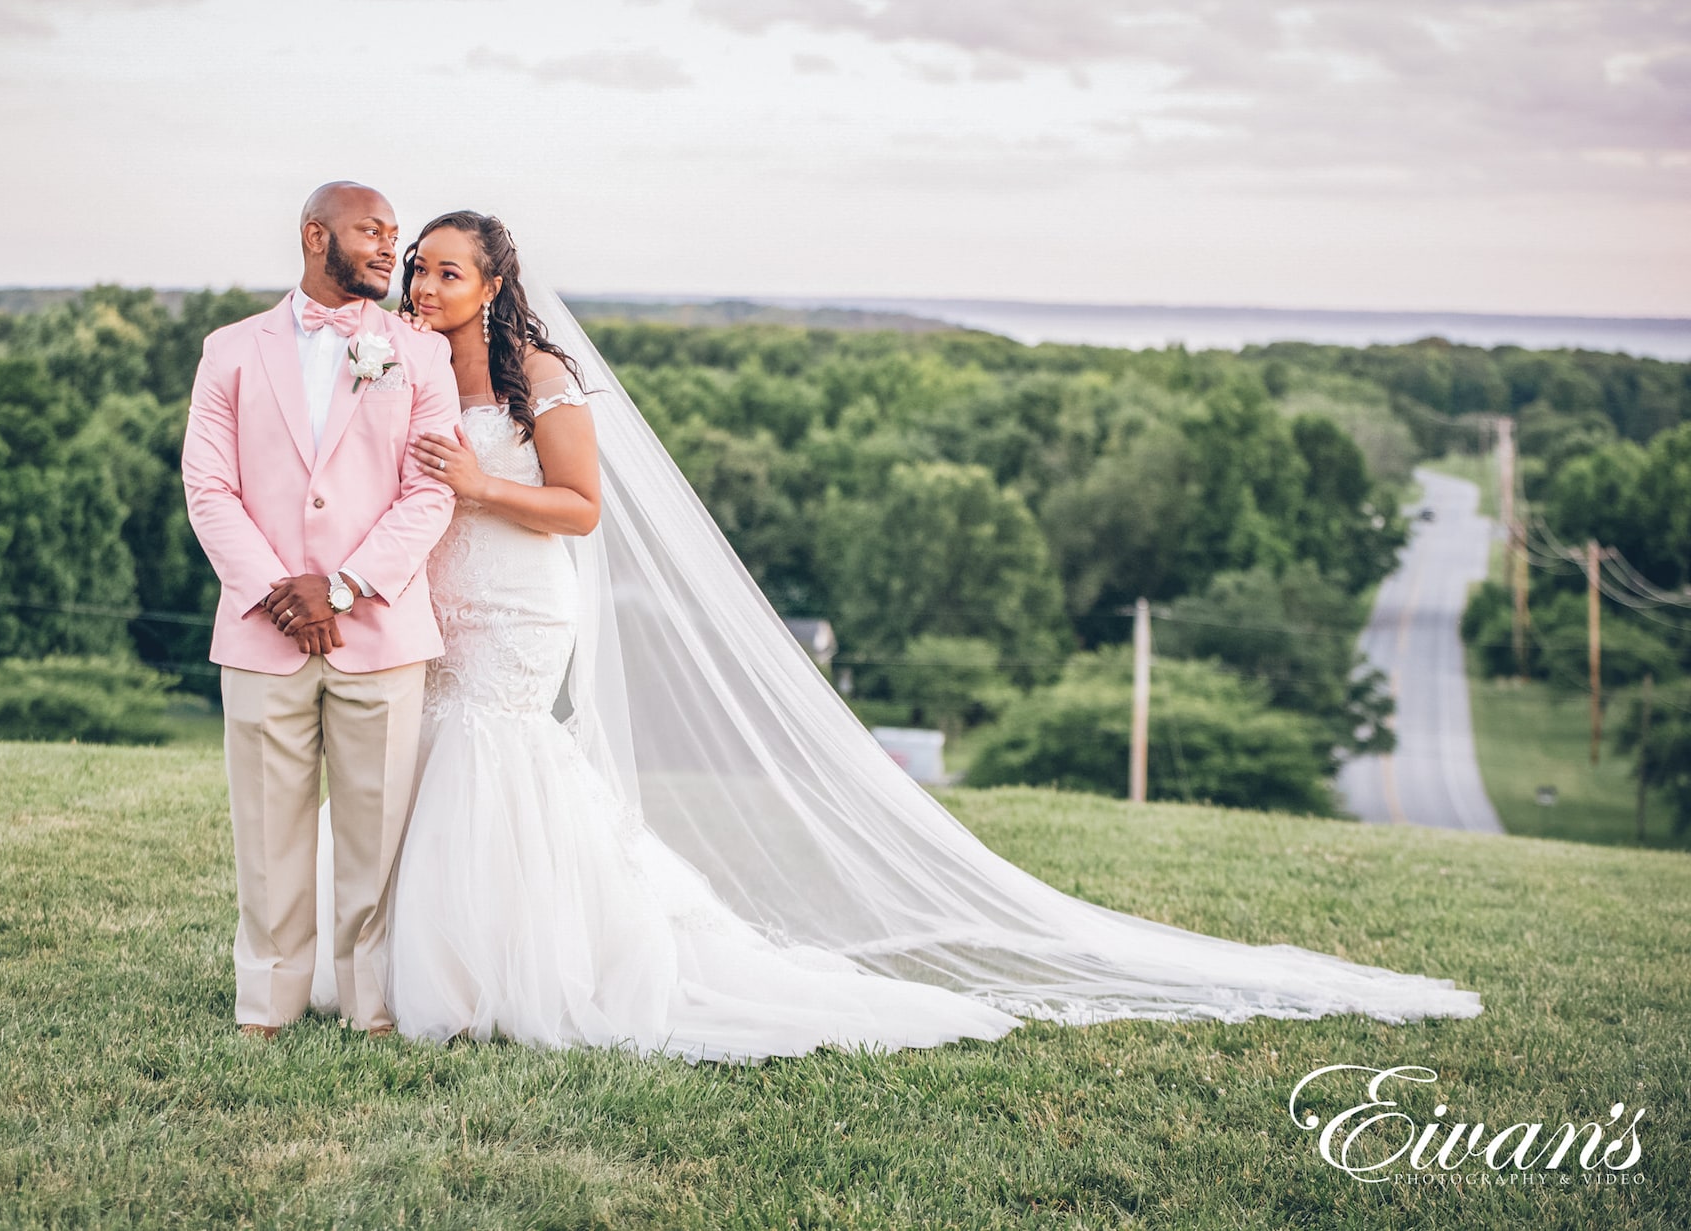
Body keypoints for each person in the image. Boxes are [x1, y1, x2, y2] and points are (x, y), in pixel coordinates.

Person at [312, 211, 1484, 1065]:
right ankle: (407, 956)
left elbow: (580, 508)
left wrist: (474, 485)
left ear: (496, 279)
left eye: (446, 270)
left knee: (497, 749)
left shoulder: (540, 371)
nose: (422, 283)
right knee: (432, 752)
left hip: (519, 597)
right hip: (438, 594)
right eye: (418, 266)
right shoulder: (409, 360)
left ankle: (502, 969)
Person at [180, 181, 461, 1041]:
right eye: (370, 231)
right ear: (315, 235)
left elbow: (429, 493)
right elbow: (209, 487)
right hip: (263, 631)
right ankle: (267, 1002)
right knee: (268, 832)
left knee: (376, 840)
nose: (390, 248)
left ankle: (372, 1001)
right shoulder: (228, 350)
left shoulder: (419, 357)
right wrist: (281, 591)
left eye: (394, 234)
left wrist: (337, 587)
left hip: (379, 630)